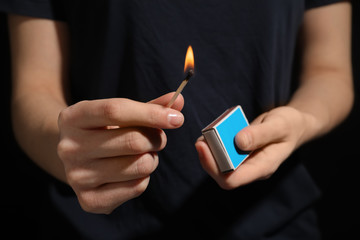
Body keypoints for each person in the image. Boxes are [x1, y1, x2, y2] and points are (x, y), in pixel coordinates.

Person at [1, 0, 353, 239]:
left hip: (272, 221)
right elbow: (34, 89)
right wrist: (69, 151)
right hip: (97, 227)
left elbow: (331, 72)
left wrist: (301, 121)